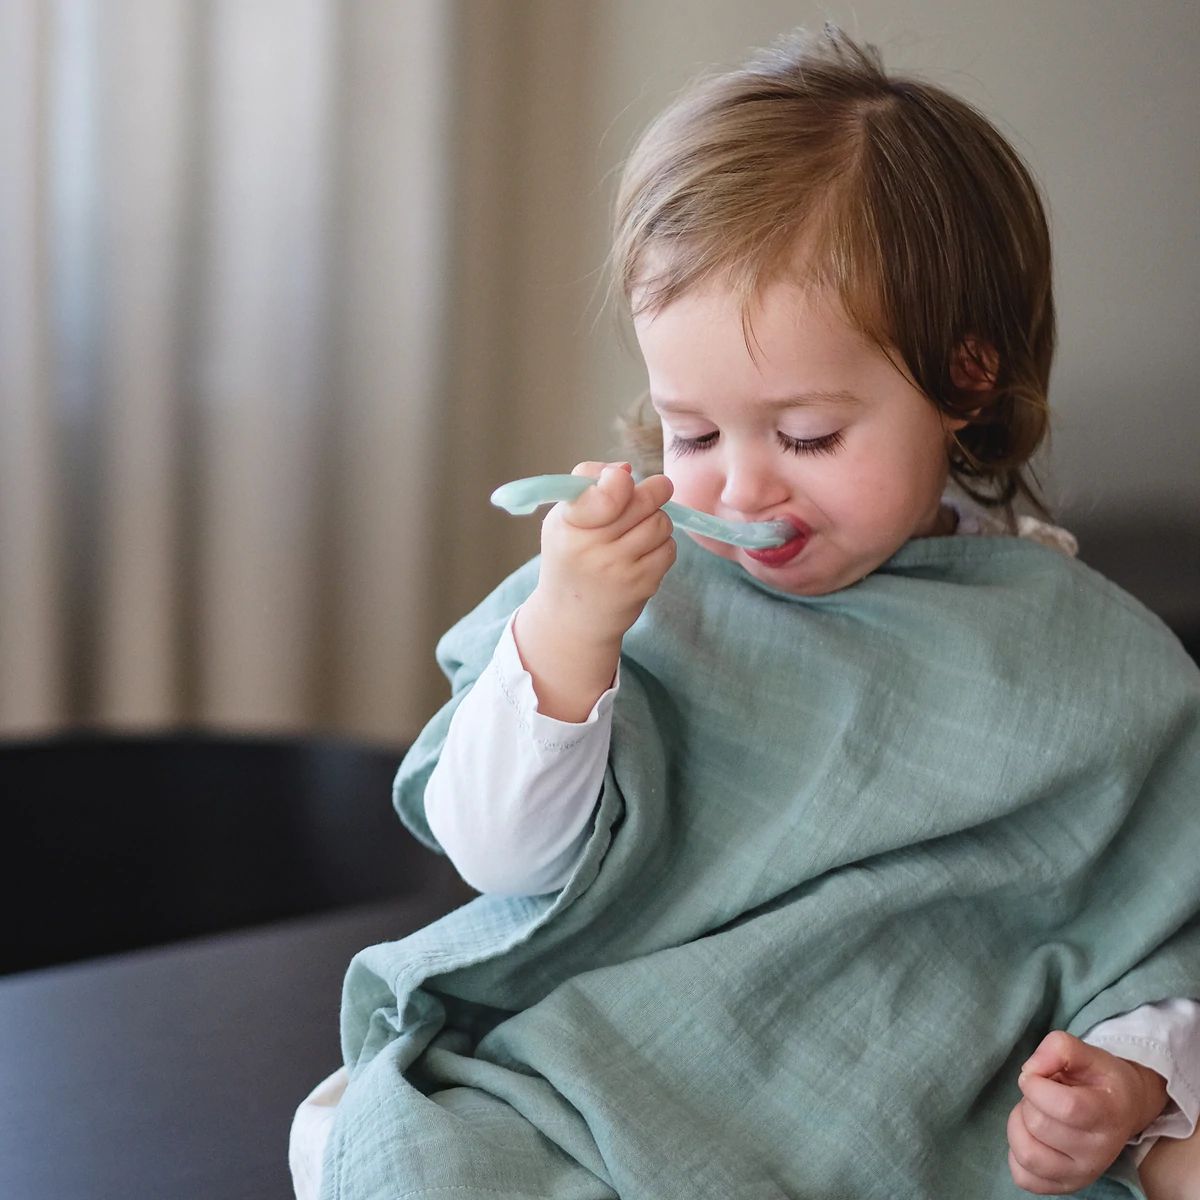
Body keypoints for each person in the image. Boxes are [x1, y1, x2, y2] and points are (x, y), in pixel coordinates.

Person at [292, 26, 1200, 1200]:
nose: (739, 488)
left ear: (965, 377)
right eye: (692, 432)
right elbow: (499, 858)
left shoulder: (1092, 661)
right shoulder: (632, 593)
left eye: (808, 436)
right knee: (409, 1151)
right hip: (610, 1076)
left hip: (936, 1109)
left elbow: (1164, 926)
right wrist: (570, 638)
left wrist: (1127, 1077)